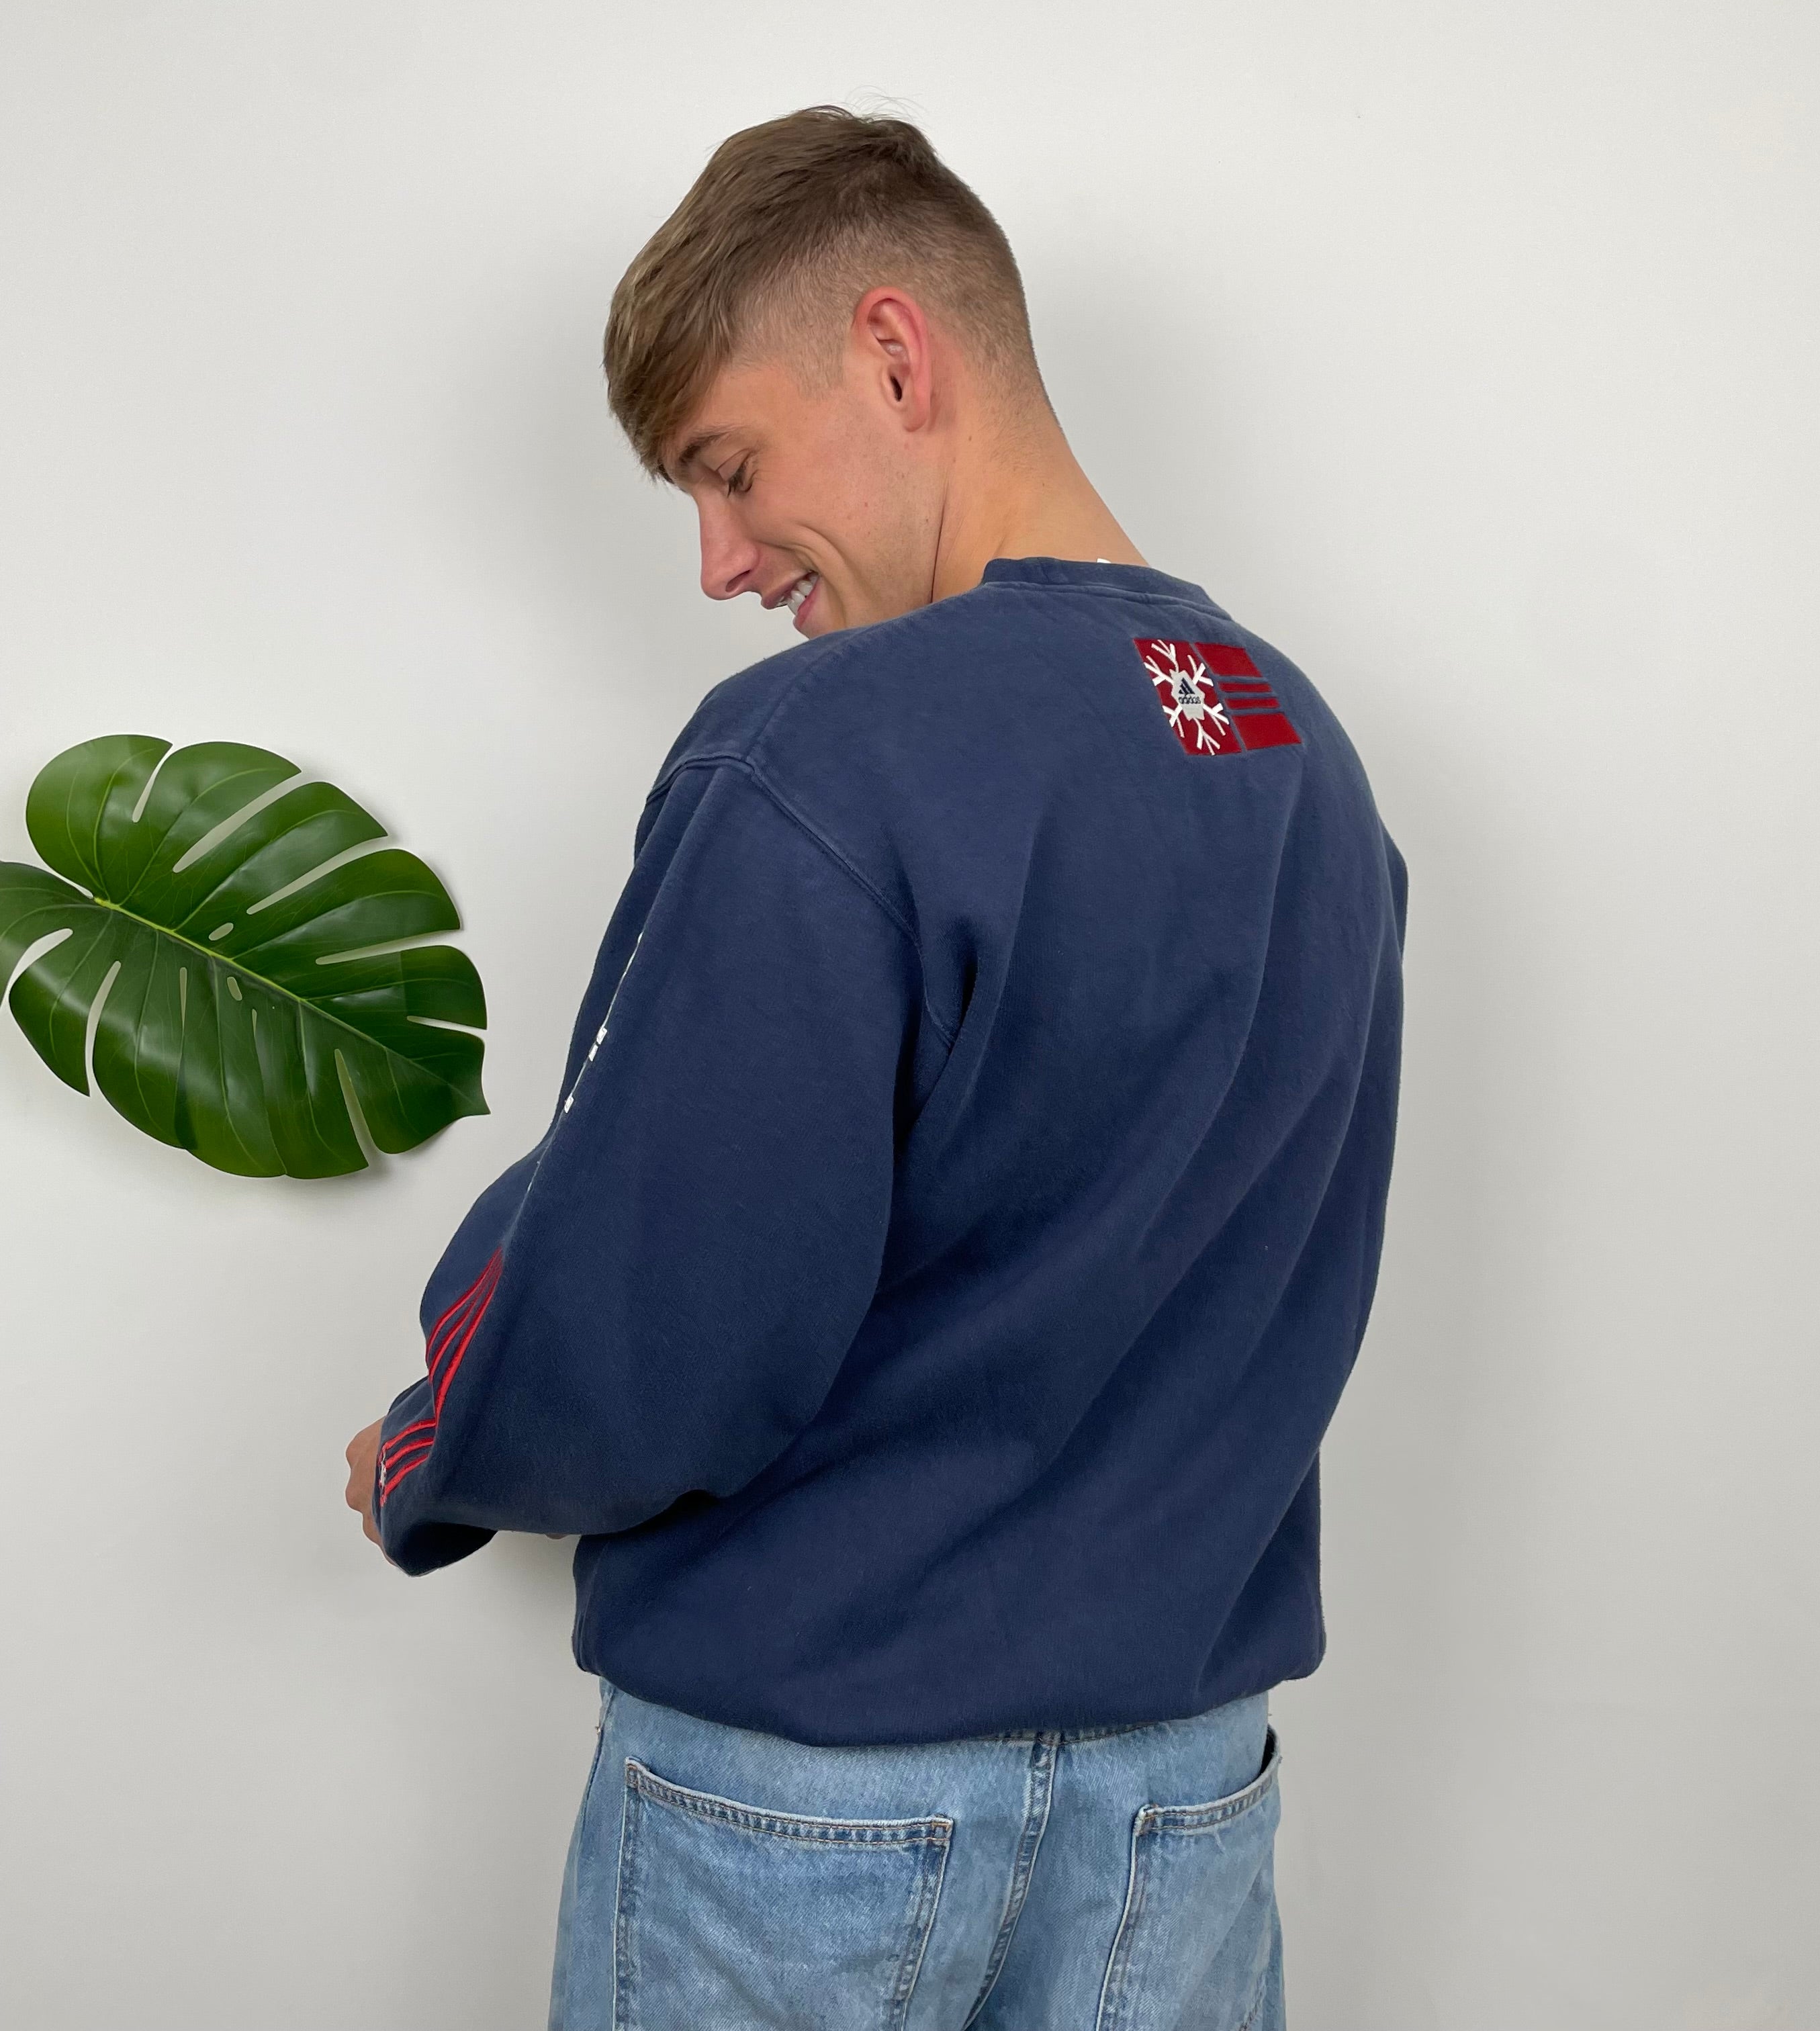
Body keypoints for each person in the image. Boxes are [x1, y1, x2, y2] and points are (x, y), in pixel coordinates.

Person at [344, 104, 1406, 2031]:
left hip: (817, 1808)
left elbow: (657, 1311)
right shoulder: (1295, 752)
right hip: (1184, 1799)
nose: (719, 562)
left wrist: (439, 1438)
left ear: (896, 355)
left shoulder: (831, 754)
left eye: (728, 469)